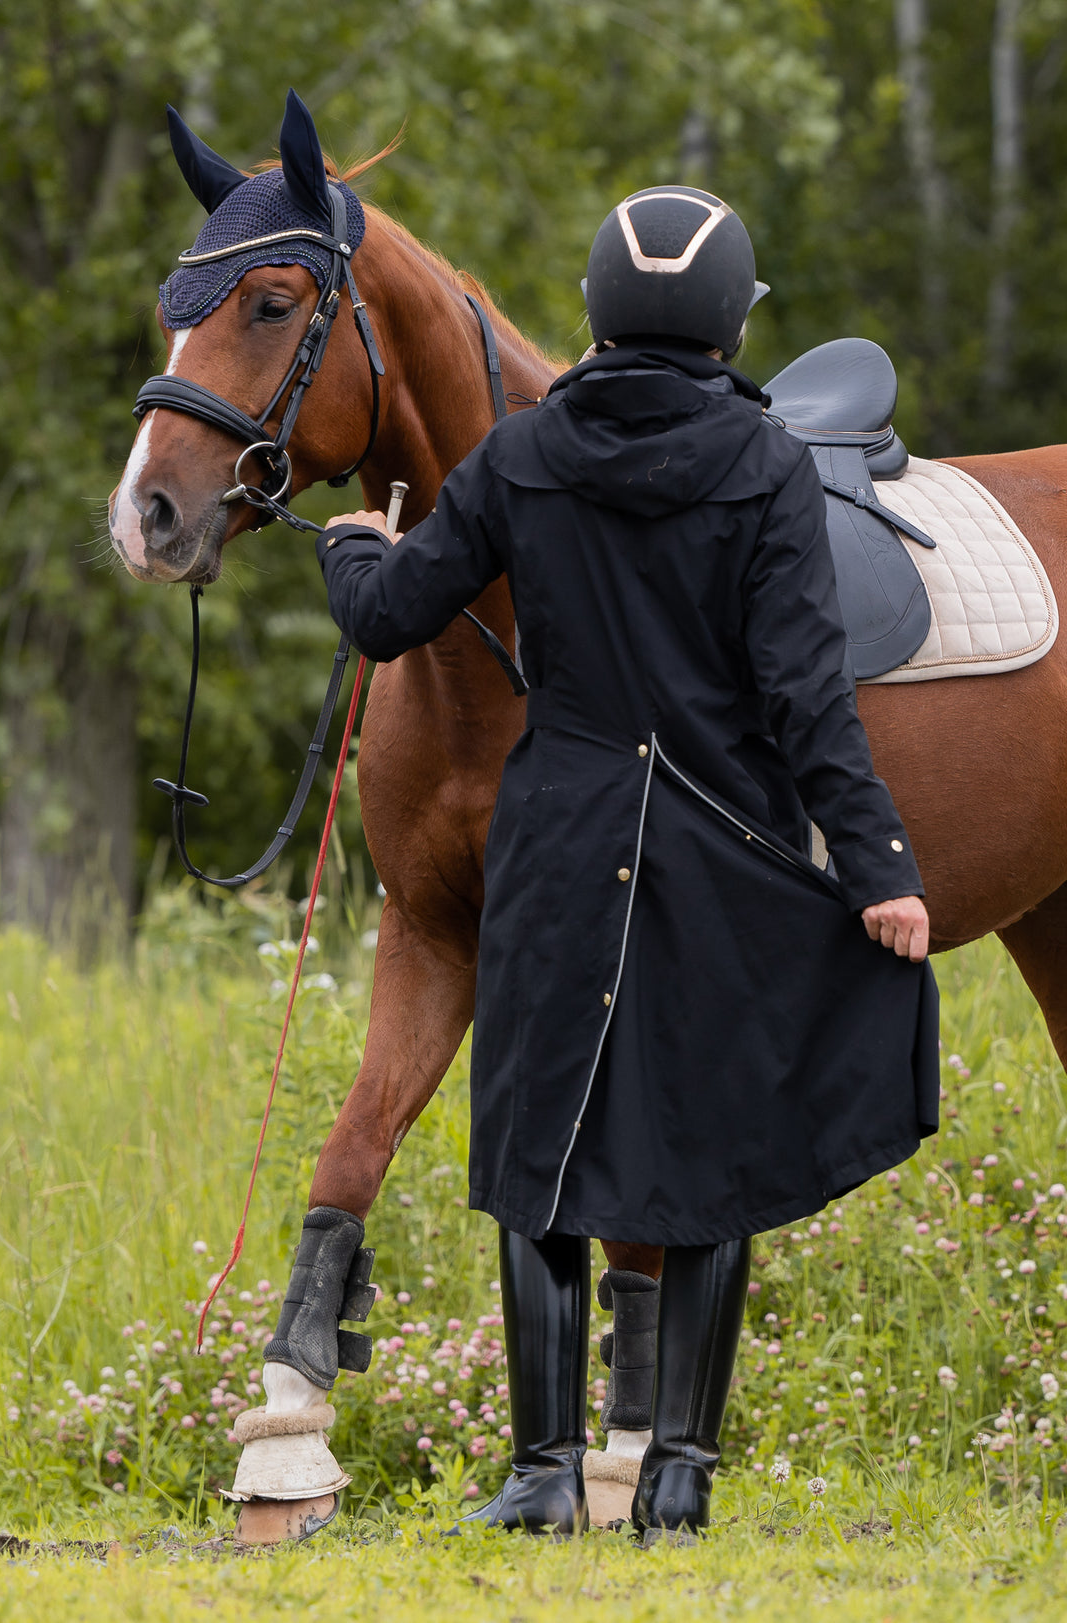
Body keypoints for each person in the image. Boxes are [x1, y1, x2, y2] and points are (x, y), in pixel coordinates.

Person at [312, 186, 940, 1541]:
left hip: (557, 838)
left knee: (535, 1143)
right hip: (720, 841)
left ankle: (542, 1474)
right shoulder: (770, 465)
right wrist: (880, 864)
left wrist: (351, 545)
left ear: (601, 305)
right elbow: (805, 698)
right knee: (711, 1149)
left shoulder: (521, 457)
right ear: (727, 321)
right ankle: (679, 1479)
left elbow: (392, 618)